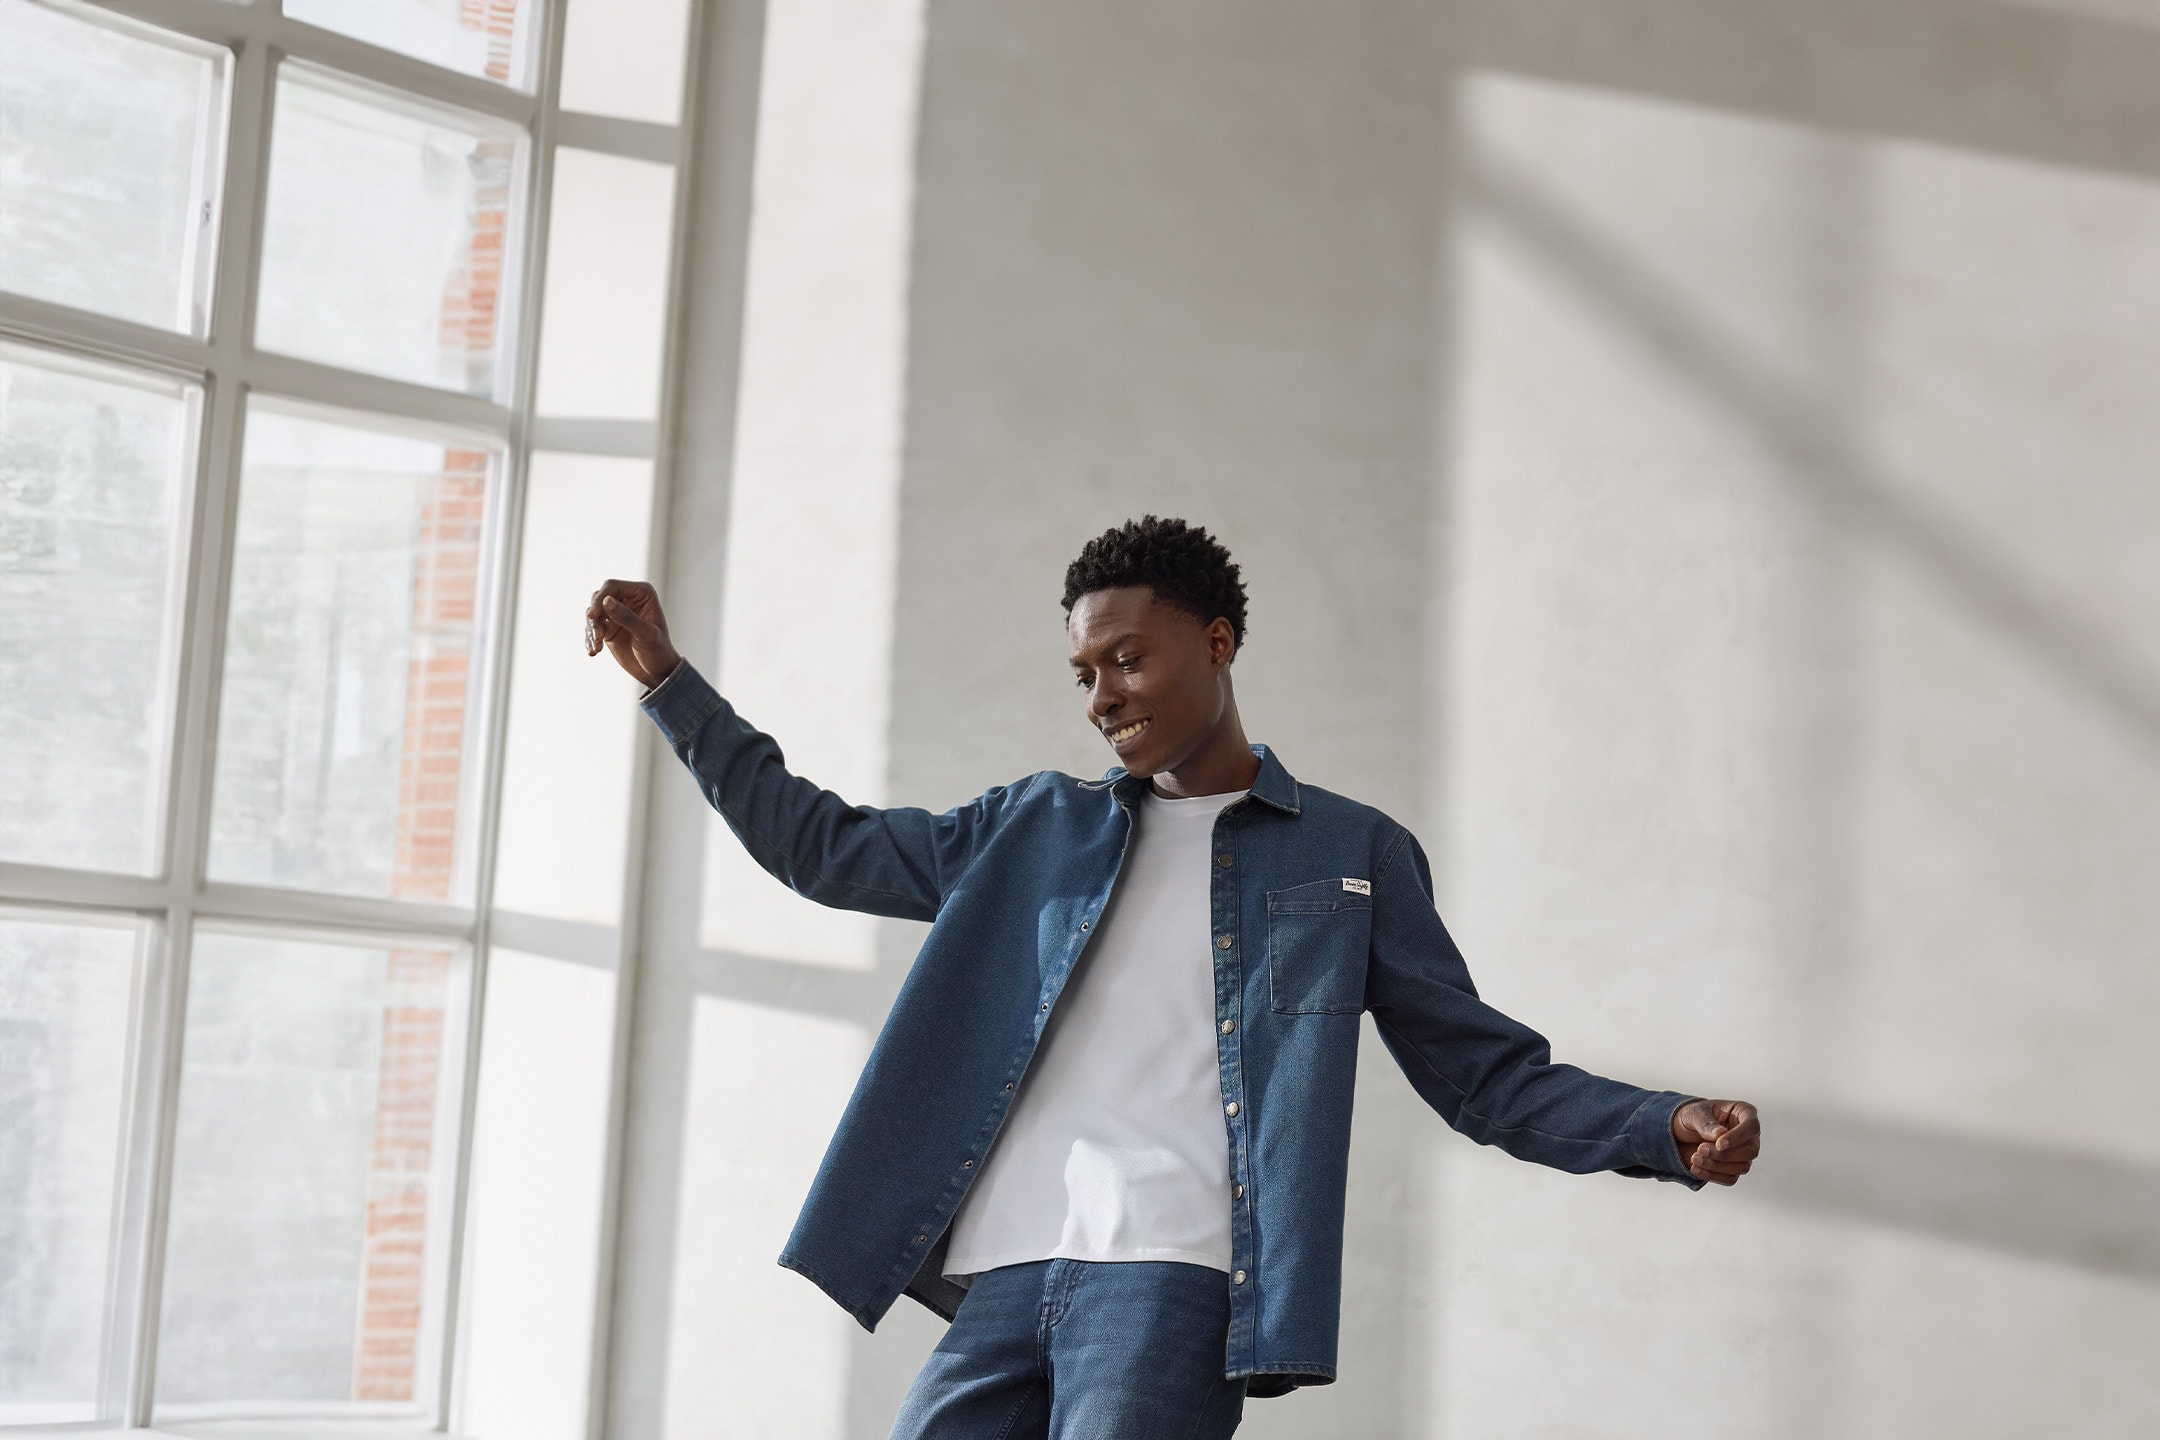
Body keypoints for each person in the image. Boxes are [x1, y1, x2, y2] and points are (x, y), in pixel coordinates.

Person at [585, 516, 1761, 1440]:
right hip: (1003, 1275)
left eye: (1129, 658)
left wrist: (1661, 1127)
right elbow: (822, 848)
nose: (1103, 696)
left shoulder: (1351, 854)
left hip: (1174, 1278)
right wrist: (669, 684)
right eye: (1085, 672)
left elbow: (1486, 1078)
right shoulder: (1029, 829)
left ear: (1217, 641)